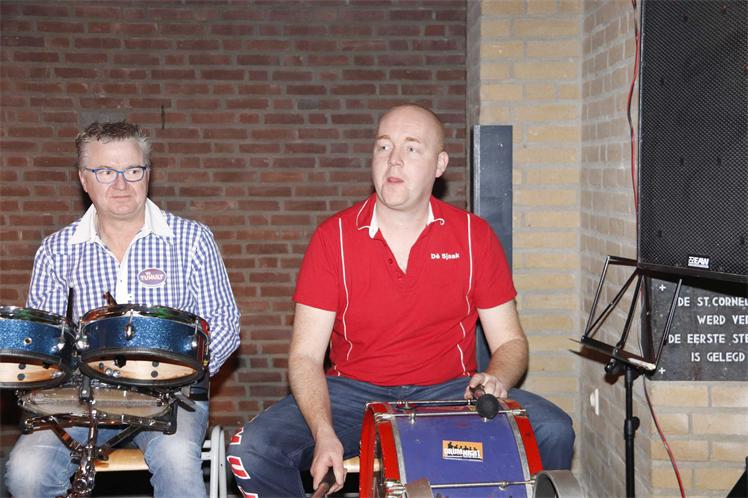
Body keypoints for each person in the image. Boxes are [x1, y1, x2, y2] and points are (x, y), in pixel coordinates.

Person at [227, 104, 574, 497]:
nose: (393, 160)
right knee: (252, 450)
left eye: (411, 148)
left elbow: (510, 342)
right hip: (351, 394)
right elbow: (306, 356)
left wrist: (497, 378)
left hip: (450, 391)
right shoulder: (333, 238)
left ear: (439, 165)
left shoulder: (473, 237)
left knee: (552, 429)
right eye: (383, 147)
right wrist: (323, 433)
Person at [5, 121, 240, 498]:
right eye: (105, 171)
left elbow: (225, 322)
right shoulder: (57, 250)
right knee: (27, 471)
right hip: (81, 396)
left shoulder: (192, 239)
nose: (121, 184)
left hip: (171, 395)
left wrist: (184, 373)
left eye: (133, 170)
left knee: (178, 464)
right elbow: (44, 345)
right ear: (84, 179)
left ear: (148, 173)